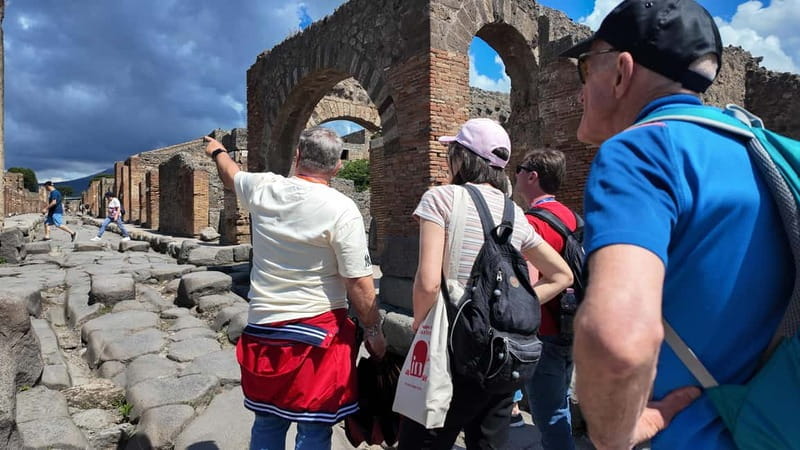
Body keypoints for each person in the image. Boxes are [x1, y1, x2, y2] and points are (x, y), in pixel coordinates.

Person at [561, 1, 794, 449]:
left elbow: (617, 340)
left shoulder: (641, 152)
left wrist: (614, 434)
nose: (580, 91)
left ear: (621, 71)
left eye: (585, 68)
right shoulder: (764, 154)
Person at [203, 127, 386, 450]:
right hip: (318, 334)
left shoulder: (263, 187)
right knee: (314, 427)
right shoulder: (342, 209)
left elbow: (230, 174)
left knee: (267, 421)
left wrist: (218, 151)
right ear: (337, 167)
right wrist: (373, 330)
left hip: (265, 331)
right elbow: (358, 281)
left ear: (298, 156)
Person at [398, 118, 572, 449]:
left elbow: (429, 282)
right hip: (502, 354)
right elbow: (562, 275)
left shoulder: (441, 199)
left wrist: (421, 325)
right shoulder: (514, 213)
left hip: (451, 351)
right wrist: (514, 305)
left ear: (462, 157)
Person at [514, 149, 577, 449]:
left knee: (549, 413)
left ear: (532, 176)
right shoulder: (571, 216)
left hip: (545, 330)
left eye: (519, 169)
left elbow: (528, 284)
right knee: (561, 400)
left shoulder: (532, 224)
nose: (515, 174)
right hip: (572, 323)